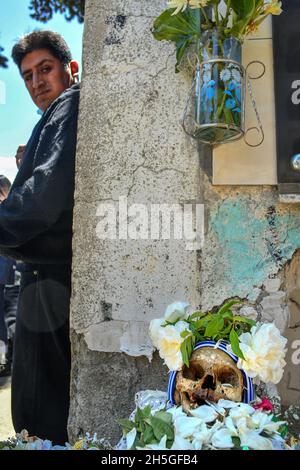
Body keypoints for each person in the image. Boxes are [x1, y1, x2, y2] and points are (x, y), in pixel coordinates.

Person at [0, 30, 80, 444]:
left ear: (72, 69)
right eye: (28, 76)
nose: (36, 83)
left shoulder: (69, 104)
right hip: (43, 286)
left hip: (52, 290)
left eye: (45, 69)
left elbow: (40, 201)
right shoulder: (51, 118)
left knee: (43, 417)